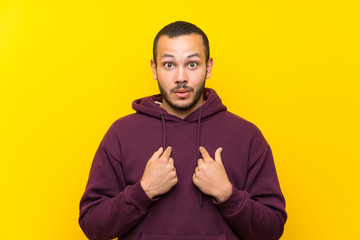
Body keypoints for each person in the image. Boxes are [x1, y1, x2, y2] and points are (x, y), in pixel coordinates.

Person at [79, 21, 287, 240]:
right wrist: (143, 191)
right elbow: (93, 226)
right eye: (169, 65)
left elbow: (272, 230)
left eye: (192, 64)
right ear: (153, 68)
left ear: (208, 67)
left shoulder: (246, 136)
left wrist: (227, 194)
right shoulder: (121, 134)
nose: (180, 77)